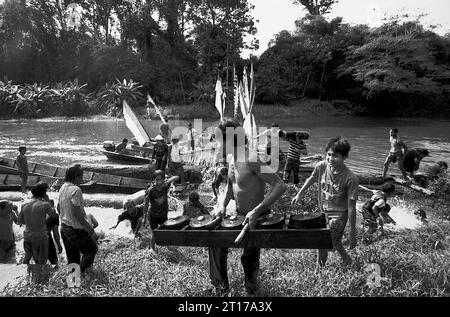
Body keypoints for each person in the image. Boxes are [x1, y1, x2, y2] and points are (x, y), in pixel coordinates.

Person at [208, 118, 286, 296]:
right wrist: (222, 205)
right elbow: (230, 186)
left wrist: (257, 211)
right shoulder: (232, 160)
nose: (218, 145)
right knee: (214, 242)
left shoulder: (251, 158)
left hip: (258, 216)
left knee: (249, 258)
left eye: (220, 141)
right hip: (239, 214)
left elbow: (279, 185)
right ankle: (220, 289)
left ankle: (251, 291)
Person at [291, 136, 359, 266]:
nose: (330, 158)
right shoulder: (321, 166)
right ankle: (347, 259)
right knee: (334, 241)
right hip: (323, 212)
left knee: (321, 241)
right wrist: (299, 194)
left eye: (335, 156)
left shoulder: (351, 179)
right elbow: (312, 178)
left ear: (344, 157)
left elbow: (351, 207)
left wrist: (352, 233)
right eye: (328, 154)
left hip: (339, 215)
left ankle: (320, 269)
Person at [57, 164, 97, 273]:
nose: (82, 179)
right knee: (91, 249)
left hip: (64, 227)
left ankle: (73, 283)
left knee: (73, 258)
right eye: (81, 176)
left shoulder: (63, 187)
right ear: (75, 176)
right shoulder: (76, 190)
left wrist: (65, 218)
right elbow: (77, 214)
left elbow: (58, 207)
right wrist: (89, 228)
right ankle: (82, 273)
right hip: (75, 229)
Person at [18, 182, 56, 265]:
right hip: (40, 236)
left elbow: (20, 221)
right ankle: (40, 277)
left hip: (27, 236)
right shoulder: (45, 204)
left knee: (27, 257)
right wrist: (48, 200)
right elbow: (54, 215)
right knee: (41, 261)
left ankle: (25, 274)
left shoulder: (24, 204)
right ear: (44, 193)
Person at [144, 170, 179, 252]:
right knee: (154, 232)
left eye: (161, 179)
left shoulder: (165, 186)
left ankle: (168, 246)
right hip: (153, 214)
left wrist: (168, 180)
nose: (159, 182)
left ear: (163, 179)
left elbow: (177, 177)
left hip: (163, 213)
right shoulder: (151, 190)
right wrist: (144, 216)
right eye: (157, 180)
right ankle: (152, 248)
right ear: (153, 180)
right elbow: (145, 203)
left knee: (165, 230)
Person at [45, 199, 63, 267]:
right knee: (54, 263)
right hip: (45, 236)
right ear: (53, 206)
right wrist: (59, 245)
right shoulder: (55, 215)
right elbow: (55, 233)